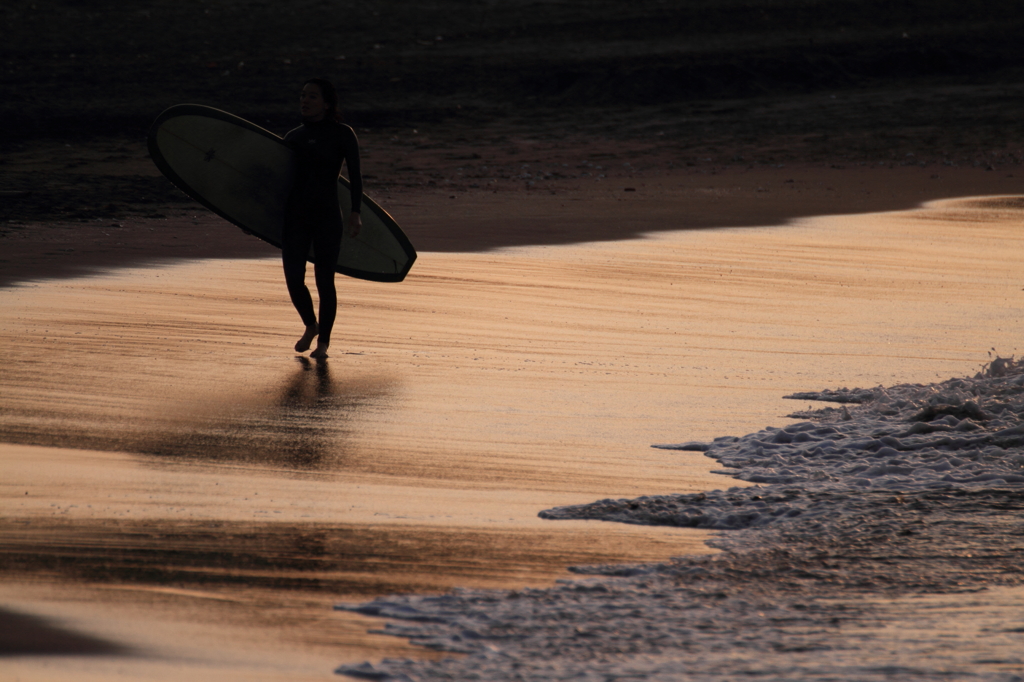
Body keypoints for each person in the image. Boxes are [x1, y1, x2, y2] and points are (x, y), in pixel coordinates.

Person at [281, 78, 363, 359]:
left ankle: (324, 342)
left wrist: (356, 213)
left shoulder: (343, 134)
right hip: (295, 216)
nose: (305, 101)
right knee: (293, 279)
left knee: (324, 281)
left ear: (327, 103)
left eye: (312, 97)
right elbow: (278, 184)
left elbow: (355, 176)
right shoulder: (293, 137)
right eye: (302, 96)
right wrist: (252, 218)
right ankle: (310, 325)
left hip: (327, 216)